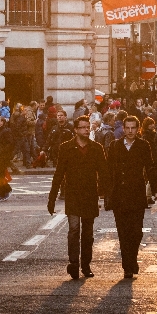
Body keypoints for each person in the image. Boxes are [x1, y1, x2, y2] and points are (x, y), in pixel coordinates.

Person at [49, 115, 108, 279]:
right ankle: (74, 263)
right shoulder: (66, 148)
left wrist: (106, 195)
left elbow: (104, 173)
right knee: (74, 230)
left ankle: (86, 264)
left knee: (88, 233)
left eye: (87, 127)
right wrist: (52, 198)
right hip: (73, 195)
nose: (86, 130)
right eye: (82, 127)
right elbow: (59, 173)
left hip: (90, 195)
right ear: (75, 130)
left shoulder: (96, 148)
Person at [105, 115, 154, 279]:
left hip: (137, 195)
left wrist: (156, 191)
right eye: (128, 128)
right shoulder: (115, 146)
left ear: (138, 129)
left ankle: (132, 259)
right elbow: (108, 171)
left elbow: (150, 168)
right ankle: (128, 265)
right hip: (119, 196)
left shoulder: (143, 145)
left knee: (136, 232)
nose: (130, 131)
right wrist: (106, 193)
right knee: (123, 232)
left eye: (133, 128)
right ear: (123, 129)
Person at [0, 115, 15, 201]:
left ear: (2, 122)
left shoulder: (5, 131)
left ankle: (4, 192)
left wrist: (2, 151)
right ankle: (2, 192)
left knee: (0, 175)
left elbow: (10, 143)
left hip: (3, 157)